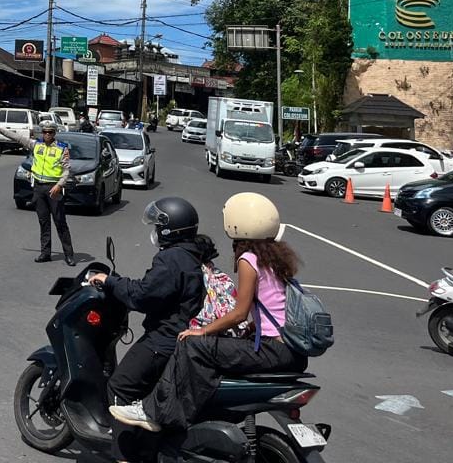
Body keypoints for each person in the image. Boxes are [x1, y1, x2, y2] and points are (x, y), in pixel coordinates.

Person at [109, 192, 308, 433]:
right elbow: (270, 311)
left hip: (272, 349)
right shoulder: (274, 258)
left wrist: (202, 330)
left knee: (191, 344)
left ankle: (151, 411)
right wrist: (247, 332)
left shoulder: (249, 259)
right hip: (290, 350)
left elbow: (239, 314)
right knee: (201, 343)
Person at [88, 198, 216, 463]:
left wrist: (110, 282)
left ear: (169, 229)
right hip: (182, 337)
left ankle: (125, 457)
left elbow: (144, 295)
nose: (155, 231)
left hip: (164, 339)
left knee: (119, 386)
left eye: (158, 225)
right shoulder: (193, 252)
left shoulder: (172, 258)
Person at [25, 122, 73, 264]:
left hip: (54, 190)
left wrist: (59, 185)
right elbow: (16, 137)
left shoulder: (61, 148)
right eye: (45, 132)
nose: (47, 135)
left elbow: (66, 170)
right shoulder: (36, 145)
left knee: (60, 222)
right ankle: (45, 253)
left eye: (50, 132)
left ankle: (69, 255)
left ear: (54, 133)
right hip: (39, 189)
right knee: (44, 222)